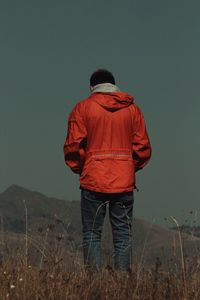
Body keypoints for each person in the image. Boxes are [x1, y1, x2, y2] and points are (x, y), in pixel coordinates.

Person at [63, 69, 152, 272]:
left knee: (92, 234)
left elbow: (73, 146)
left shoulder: (83, 108)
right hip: (123, 181)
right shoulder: (133, 110)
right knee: (122, 235)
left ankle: (93, 285)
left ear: (91, 87)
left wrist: (82, 168)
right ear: (114, 85)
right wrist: (129, 166)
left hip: (93, 179)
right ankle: (122, 286)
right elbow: (143, 147)